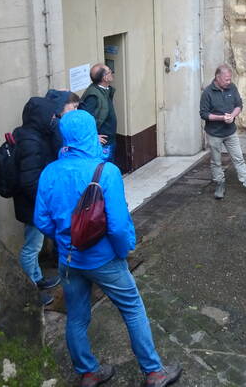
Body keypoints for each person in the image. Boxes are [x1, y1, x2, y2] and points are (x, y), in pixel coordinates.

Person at [34, 110, 182, 387]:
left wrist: (66, 240)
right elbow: (117, 226)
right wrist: (124, 249)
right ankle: (154, 372)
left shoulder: (49, 172)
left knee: (76, 317)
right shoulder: (107, 172)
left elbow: (41, 221)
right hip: (104, 259)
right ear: (91, 133)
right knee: (133, 309)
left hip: (69, 260)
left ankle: (88, 374)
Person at [13, 94, 76, 305]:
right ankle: (29, 290)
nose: (53, 118)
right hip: (33, 205)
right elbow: (30, 181)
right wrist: (45, 204)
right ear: (40, 117)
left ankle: (38, 278)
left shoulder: (32, 136)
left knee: (36, 244)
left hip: (34, 203)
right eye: (50, 115)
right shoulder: (30, 142)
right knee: (31, 247)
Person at [199, 64, 246, 199]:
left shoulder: (232, 87)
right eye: (226, 79)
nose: (229, 82)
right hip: (214, 134)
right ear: (218, 78)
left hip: (230, 132)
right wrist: (221, 118)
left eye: (230, 79)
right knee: (216, 161)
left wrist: (233, 116)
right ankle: (219, 184)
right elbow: (204, 114)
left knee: (239, 158)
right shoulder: (207, 93)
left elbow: (239, 105)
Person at [80, 64, 117, 164]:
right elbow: (83, 119)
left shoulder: (105, 90)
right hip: (102, 144)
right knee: (102, 170)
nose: (112, 72)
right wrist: (93, 137)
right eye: (110, 71)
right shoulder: (92, 96)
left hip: (109, 140)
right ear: (105, 77)